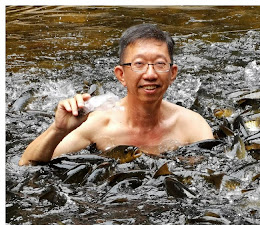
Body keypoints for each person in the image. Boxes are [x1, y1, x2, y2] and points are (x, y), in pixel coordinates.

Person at [19, 23, 213, 166]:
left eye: (160, 64)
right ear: (121, 75)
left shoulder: (193, 126)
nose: (150, 74)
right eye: (139, 64)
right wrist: (58, 129)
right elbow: (27, 164)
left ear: (172, 73)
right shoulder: (97, 125)